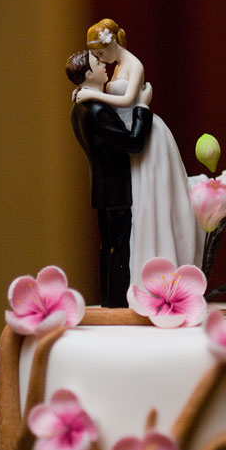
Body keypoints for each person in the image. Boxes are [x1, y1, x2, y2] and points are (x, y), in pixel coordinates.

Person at [76, 19, 206, 286]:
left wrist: (92, 96)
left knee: (152, 198)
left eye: (100, 54)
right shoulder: (118, 66)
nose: (101, 60)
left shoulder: (134, 65)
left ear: (110, 44)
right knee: (141, 202)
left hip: (145, 134)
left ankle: (161, 266)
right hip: (129, 136)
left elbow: (126, 100)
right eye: (97, 58)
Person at [66, 50, 153, 307]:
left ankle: (108, 300)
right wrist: (142, 107)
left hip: (101, 187)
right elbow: (134, 142)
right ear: (88, 74)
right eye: (97, 62)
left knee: (108, 247)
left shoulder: (80, 108)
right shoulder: (95, 110)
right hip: (115, 188)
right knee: (120, 247)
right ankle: (117, 303)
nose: (104, 64)